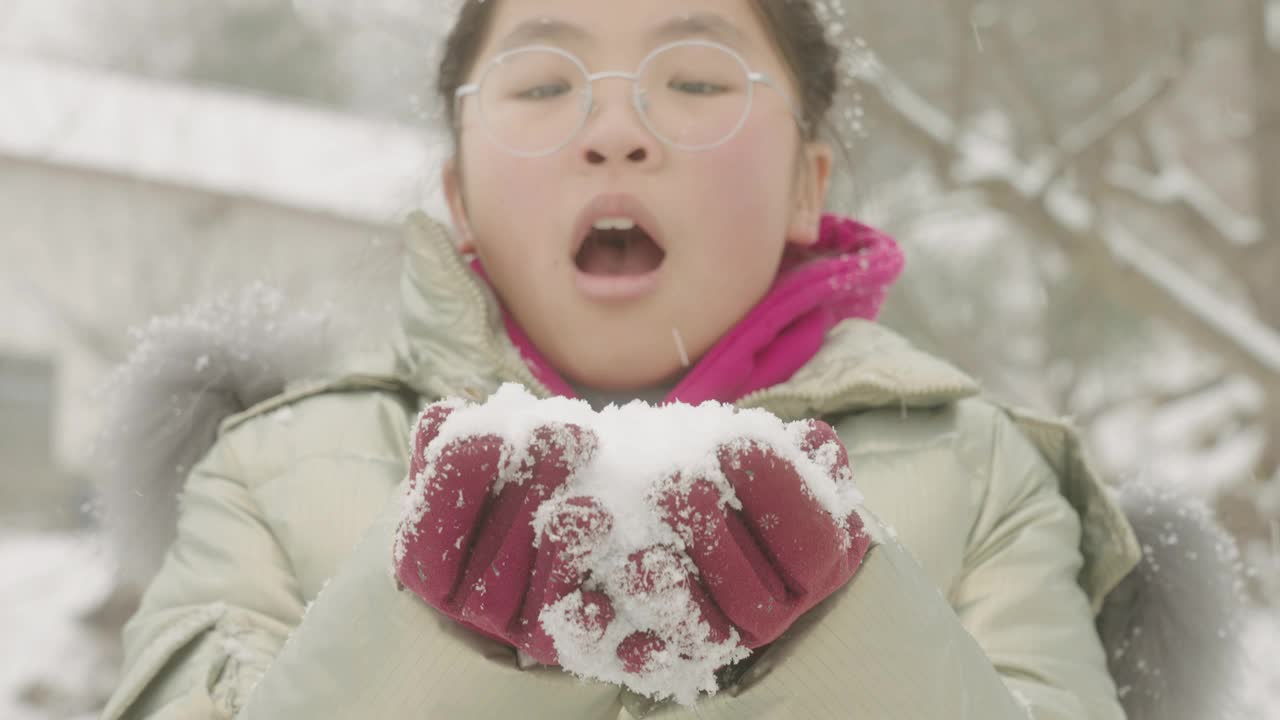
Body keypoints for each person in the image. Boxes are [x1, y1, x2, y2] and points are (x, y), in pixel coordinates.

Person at [98, 1, 1243, 718]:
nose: (614, 129)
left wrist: (838, 645)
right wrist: (434, 647)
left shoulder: (986, 474)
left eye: (694, 82)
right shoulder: (267, 467)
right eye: (544, 85)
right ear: (455, 190)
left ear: (806, 183)